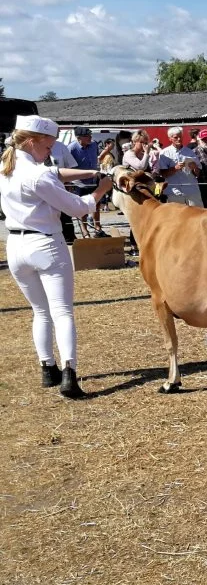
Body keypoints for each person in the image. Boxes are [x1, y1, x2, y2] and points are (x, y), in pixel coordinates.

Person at [1, 115, 114, 398]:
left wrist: (89, 172)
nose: (51, 152)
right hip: (46, 245)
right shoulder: (37, 175)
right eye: (49, 146)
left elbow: (54, 174)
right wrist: (101, 189)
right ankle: (69, 375)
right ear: (32, 141)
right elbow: (78, 208)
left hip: (15, 246)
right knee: (62, 312)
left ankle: (47, 369)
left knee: (40, 312)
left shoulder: (6, 167)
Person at [157, 127, 203, 207]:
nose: (179, 139)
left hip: (192, 191)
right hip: (174, 193)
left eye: (180, 137)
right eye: (176, 137)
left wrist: (194, 167)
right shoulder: (164, 153)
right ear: (170, 139)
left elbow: (198, 174)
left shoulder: (190, 152)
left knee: (196, 216)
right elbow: (163, 174)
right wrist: (175, 168)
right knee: (176, 218)